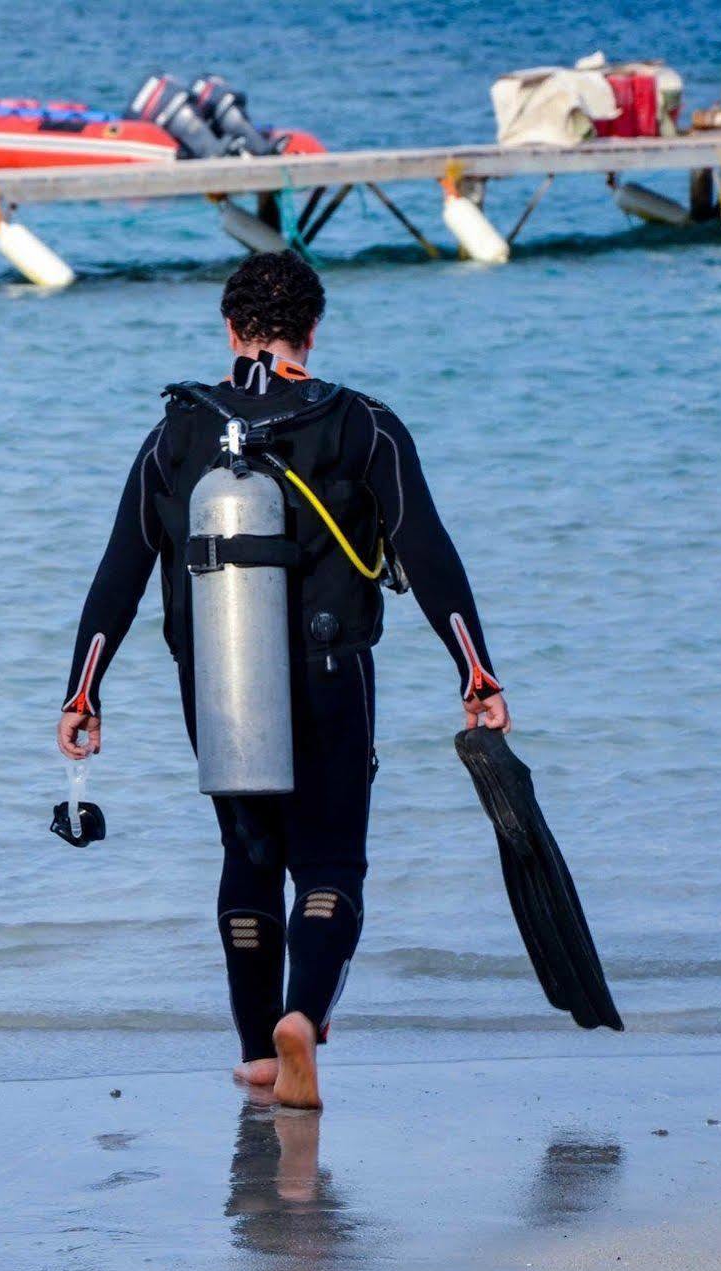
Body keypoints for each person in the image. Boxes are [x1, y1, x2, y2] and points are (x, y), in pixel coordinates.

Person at [55, 251, 509, 1110]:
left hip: (214, 680)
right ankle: (301, 1017)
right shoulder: (360, 425)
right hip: (331, 673)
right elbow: (427, 551)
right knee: (330, 862)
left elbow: (118, 572)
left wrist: (82, 692)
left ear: (229, 330)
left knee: (247, 858)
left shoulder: (176, 434)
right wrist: (476, 675)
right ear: (313, 329)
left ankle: (258, 1055)